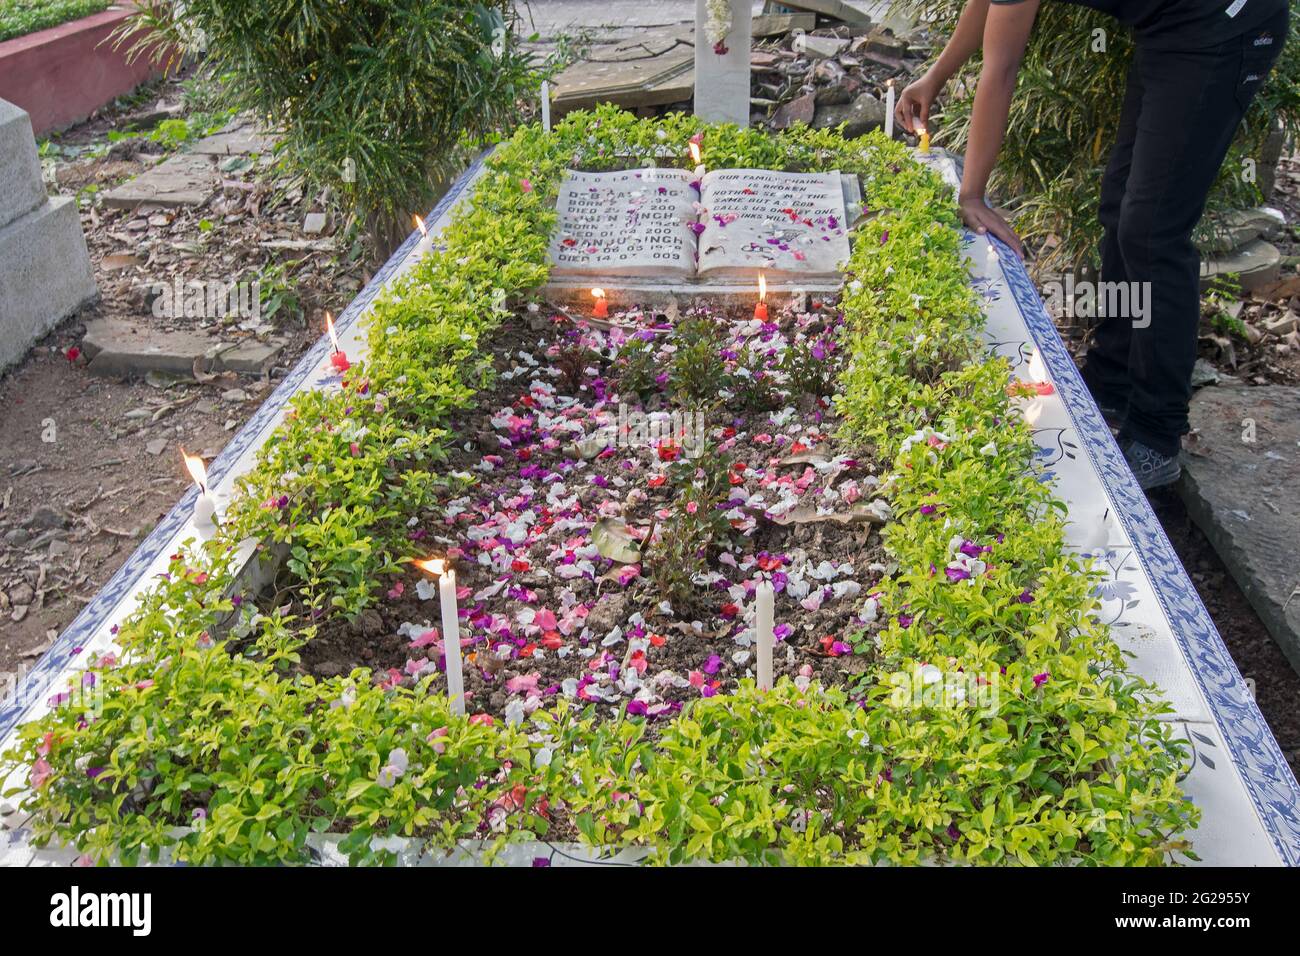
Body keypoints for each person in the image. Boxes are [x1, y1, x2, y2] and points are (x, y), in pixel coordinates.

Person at [895, 0, 1289, 489]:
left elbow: (1002, 68)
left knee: (1152, 230)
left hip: (1225, 28)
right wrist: (936, 74)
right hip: (1169, 27)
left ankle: (1156, 436)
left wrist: (973, 194)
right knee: (1121, 209)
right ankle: (1112, 381)